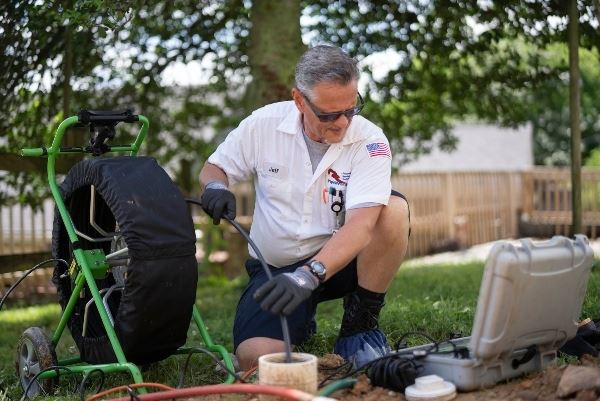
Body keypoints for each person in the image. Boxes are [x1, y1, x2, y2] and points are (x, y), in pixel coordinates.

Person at [199, 44, 410, 371]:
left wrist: (309, 275)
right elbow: (215, 168)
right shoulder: (262, 125)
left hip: (342, 261)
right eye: (328, 114)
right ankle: (300, 319)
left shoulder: (370, 141)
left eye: (351, 109)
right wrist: (215, 187)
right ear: (299, 100)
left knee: (393, 209)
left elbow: (362, 225)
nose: (342, 123)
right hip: (276, 269)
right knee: (256, 360)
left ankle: (360, 325)